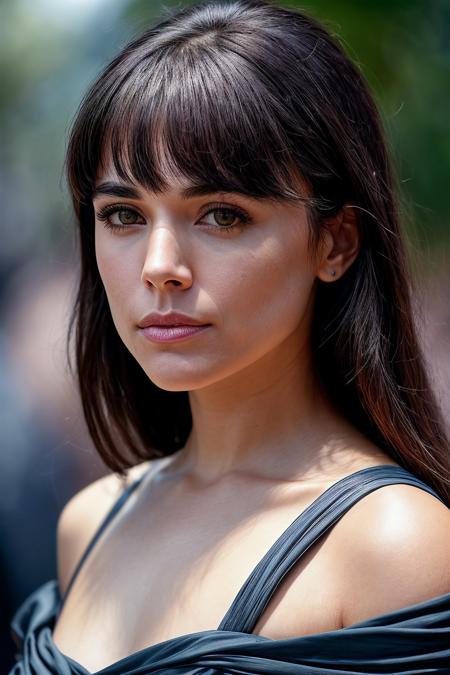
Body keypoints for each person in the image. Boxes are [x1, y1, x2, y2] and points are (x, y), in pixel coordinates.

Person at [9, 0, 450, 672]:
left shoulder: (394, 543)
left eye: (221, 214)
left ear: (336, 241)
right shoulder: (90, 521)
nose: (160, 266)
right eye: (124, 214)